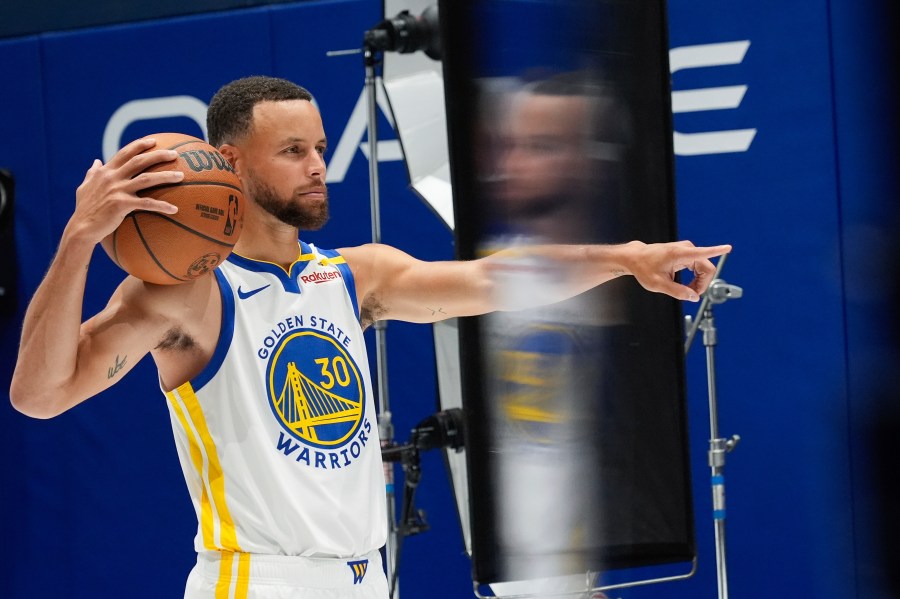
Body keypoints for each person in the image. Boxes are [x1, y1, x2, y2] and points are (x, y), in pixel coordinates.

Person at [9, 75, 730, 598]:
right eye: (292, 150)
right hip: (259, 581)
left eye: (319, 146)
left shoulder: (355, 275)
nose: (319, 165)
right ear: (229, 164)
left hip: (365, 575)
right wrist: (78, 240)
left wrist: (627, 259)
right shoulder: (189, 294)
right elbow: (39, 395)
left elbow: (492, 280)